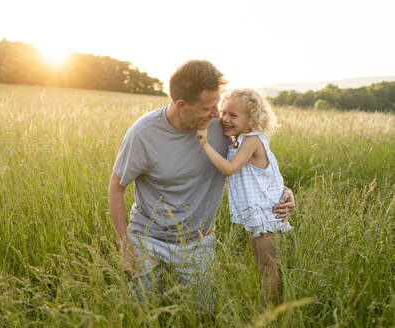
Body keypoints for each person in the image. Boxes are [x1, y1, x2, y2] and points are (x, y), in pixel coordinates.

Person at [108, 60, 295, 312]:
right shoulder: (143, 134)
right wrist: (124, 244)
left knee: (202, 315)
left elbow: (259, 165)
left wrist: (283, 194)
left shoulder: (223, 129)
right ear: (182, 106)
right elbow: (116, 187)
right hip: (147, 240)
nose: (217, 114)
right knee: (142, 313)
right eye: (209, 108)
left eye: (218, 105)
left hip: (198, 242)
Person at [196, 88, 293, 306]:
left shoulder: (251, 140)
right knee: (263, 266)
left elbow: (230, 169)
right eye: (224, 113)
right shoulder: (240, 140)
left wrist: (204, 144)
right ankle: (269, 306)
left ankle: (265, 312)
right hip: (256, 216)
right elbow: (266, 178)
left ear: (251, 119)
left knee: (268, 269)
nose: (225, 119)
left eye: (233, 115)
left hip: (266, 215)